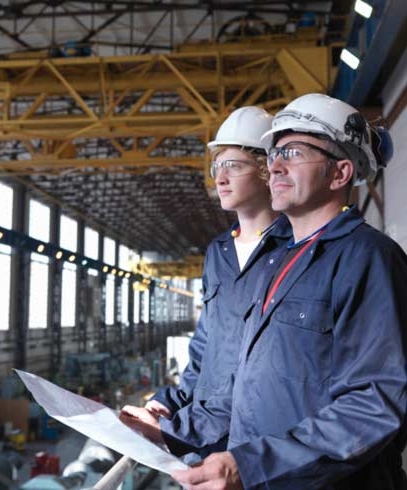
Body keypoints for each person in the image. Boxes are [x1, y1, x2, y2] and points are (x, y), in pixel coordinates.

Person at [172, 93, 407, 489]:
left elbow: (375, 402)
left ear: (340, 173)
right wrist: (169, 430)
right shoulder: (276, 263)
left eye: (294, 152)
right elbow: (245, 385)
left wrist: (251, 464)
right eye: (275, 152)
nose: (275, 165)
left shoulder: (366, 258)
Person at [120, 107, 291, 457]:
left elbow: (270, 367)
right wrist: (171, 403)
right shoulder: (219, 252)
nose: (220, 178)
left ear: (265, 170)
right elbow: (204, 348)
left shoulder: (295, 250)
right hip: (204, 434)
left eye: (234, 166)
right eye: (217, 167)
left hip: (259, 442)